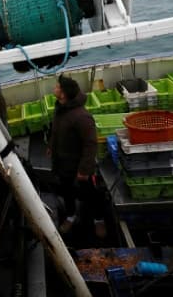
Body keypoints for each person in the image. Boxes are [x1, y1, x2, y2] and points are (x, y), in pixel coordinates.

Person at [47, 75, 107, 238]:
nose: (55, 88)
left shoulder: (82, 117)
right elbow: (56, 130)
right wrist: (52, 147)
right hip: (62, 164)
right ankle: (70, 216)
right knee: (66, 191)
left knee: (90, 194)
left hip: (79, 166)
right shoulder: (60, 107)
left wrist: (85, 170)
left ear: (64, 93)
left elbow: (90, 144)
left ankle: (99, 220)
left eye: (58, 86)